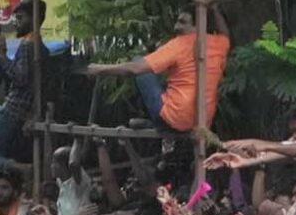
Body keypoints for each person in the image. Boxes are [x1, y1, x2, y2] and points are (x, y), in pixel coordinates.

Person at [86, 7, 231, 135]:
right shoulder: (220, 44)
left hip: (175, 119)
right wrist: (216, 8)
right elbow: (225, 34)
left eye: (182, 22)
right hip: (201, 123)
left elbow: (135, 69)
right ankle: (153, 123)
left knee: (138, 61)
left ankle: (152, 120)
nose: (176, 26)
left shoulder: (179, 44)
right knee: (165, 75)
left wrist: (99, 69)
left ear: (198, 26)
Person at [0, 0, 44, 173]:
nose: (16, 23)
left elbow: (19, 78)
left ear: (33, 18)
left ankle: (20, 168)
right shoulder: (31, 43)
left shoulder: (29, 45)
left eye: (20, 19)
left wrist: (2, 55)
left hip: (14, 109)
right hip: (13, 107)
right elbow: (7, 75)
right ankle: (4, 160)